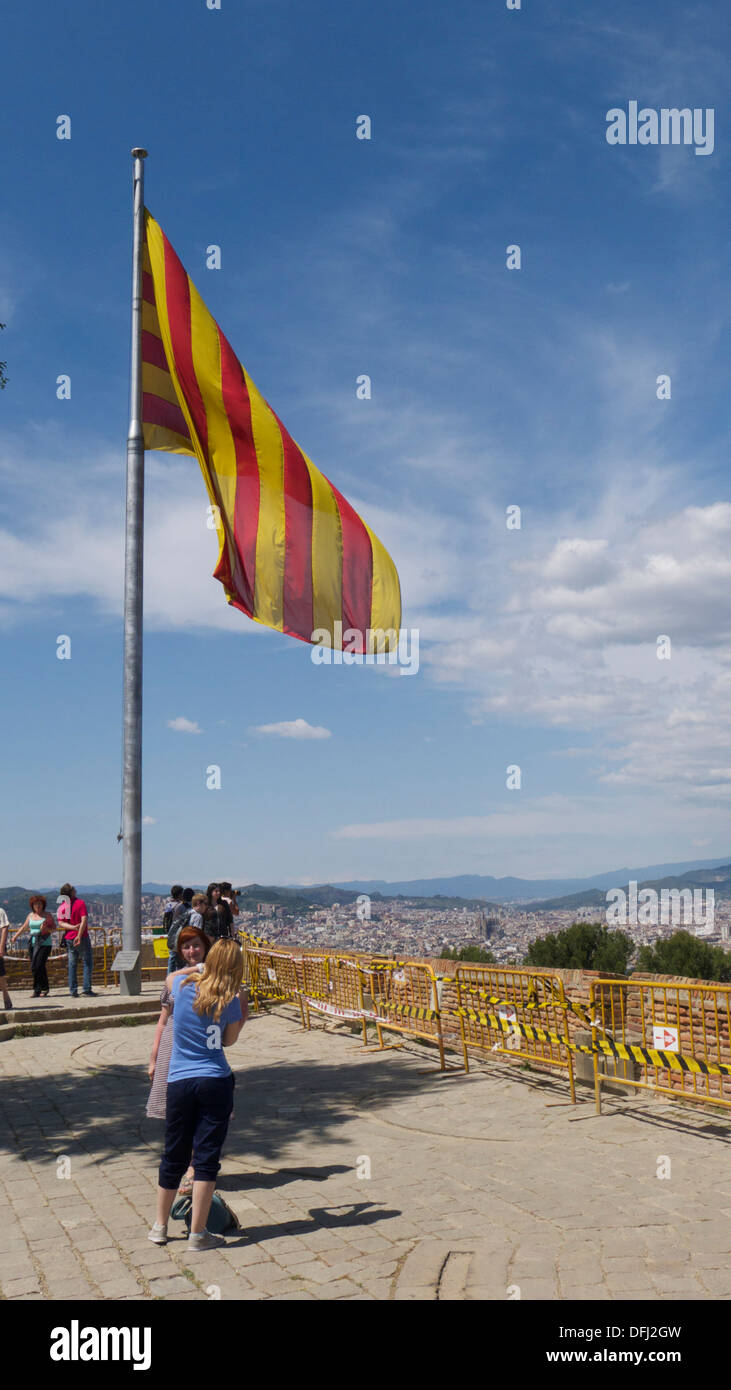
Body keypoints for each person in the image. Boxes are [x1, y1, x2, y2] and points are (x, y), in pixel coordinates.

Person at [148, 939, 247, 1251]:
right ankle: (198, 1234)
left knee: (173, 1155)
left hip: (179, 1080)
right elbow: (228, 1042)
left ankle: (159, 1226)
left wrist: (196, 967)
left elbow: (170, 977)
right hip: (214, 1079)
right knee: (206, 1158)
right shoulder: (230, 997)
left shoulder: (183, 985)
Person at [147, 925, 212, 1195]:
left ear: (205, 946)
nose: (191, 951)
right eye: (186, 947)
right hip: (172, 1048)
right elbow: (163, 1020)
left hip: (200, 1049)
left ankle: (196, 1166)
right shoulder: (176, 979)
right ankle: (183, 1163)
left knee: (200, 1112)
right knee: (176, 1111)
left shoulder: (212, 977)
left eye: (196, 945)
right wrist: (153, 1056)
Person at [11, 895, 55, 997]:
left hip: (45, 943)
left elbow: (54, 928)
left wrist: (46, 929)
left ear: (43, 905)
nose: (38, 906)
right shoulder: (30, 915)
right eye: (36, 904)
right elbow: (24, 927)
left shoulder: (47, 915)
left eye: (40, 904)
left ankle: (39, 989)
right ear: (32, 905)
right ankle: (41, 988)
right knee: (37, 967)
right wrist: (15, 937)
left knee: (38, 965)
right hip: (33, 943)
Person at [58, 882, 95, 998]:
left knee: (72, 964)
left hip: (69, 937)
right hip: (82, 937)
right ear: (71, 892)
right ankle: (86, 989)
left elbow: (61, 923)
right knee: (87, 962)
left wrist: (72, 928)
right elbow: (84, 920)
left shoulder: (62, 907)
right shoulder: (80, 903)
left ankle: (73, 990)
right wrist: (79, 935)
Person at [0, 905, 13, 1009]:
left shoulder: (0, 911)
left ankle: (6, 996)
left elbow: (5, 928)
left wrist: (1, 947)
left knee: (0, 974)